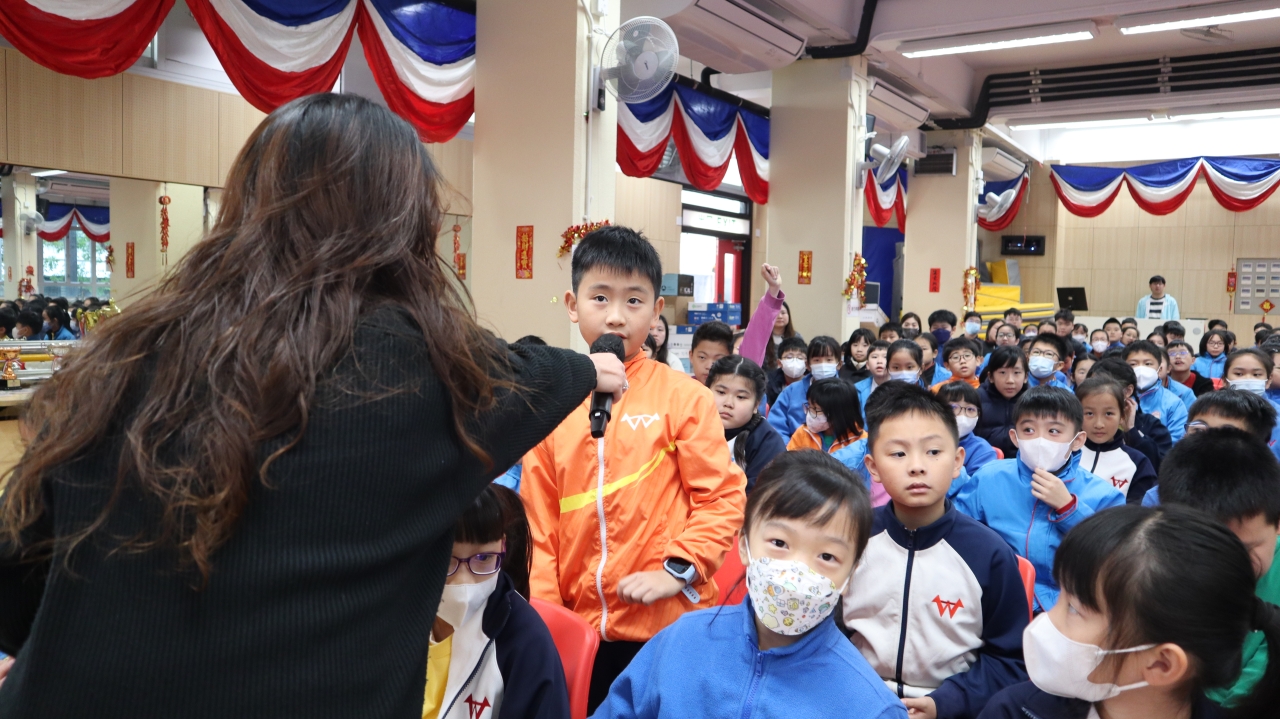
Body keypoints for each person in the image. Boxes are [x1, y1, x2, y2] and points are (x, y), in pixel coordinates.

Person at [0, 94, 624, 719]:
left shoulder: (124, 355)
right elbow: (528, 374)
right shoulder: (428, 375)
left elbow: (16, 591)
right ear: (409, 223)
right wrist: (589, 368)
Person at [522, 226, 746, 713]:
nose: (616, 316)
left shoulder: (684, 397)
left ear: (656, 309)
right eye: (600, 297)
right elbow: (538, 525)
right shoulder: (550, 403)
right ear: (572, 304)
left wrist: (678, 570)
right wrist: (549, 619)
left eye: (634, 301)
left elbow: (722, 498)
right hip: (580, 632)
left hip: (669, 626)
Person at [590, 451, 907, 719]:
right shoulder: (681, 640)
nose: (796, 573)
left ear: (851, 573)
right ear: (744, 544)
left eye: (827, 556)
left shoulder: (871, 707)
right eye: (779, 543)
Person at [979, 505, 1280, 719]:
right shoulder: (1015, 711)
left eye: (1074, 609)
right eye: (1061, 596)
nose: (1046, 620)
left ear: (1162, 664)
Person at [846, 383, 1027, 719]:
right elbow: (825, 635)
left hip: (950, 708)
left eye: (933, 452)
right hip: (855, 700)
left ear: (957, 461)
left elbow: (1010, 661)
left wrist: (946, 703)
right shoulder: (851, 538)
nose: (917, 466)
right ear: (873, 467)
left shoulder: (988, 554)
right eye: (898, 454)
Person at [954, 387, 1126, 611]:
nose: (1040, 440)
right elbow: (959, 533)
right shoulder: (989, 477)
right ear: (1014, 437)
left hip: (1068, 605)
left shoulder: (1104, 495)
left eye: (1054, 431)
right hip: (995, 596)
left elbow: (1114, 557)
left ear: (1077, 440)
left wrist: (1069, 508)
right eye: (1028, 430)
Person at [1154, 428, 1280, 708]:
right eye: (1206, 549)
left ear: (1277, 524)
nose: (1229, 564)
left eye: (1247, 549)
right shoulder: (1153, 565)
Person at [423, 485, 570, 719]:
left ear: (502, 546)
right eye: (447, 560)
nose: (464, 582)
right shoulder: (394, 617)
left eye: (483, 558)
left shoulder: (527, 644)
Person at [707, 356, 786, 493]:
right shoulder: (688, 426)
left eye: (741, 397)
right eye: (721, 392)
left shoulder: (768, 441)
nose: (728, 403)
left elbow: (761, 495)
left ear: (756, 405)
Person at [1075, 379, 1155, 504]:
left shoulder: (1138, 463)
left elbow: (1139, 512)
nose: (1099, 424)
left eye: (1108, 413)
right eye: (1089, 413)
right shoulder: (1065, 453)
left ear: (1122, 416)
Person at [1086, 358, 1172, 471]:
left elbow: (1159, 469)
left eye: (1104, 387)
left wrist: (1132, 431)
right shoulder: (1078, 423)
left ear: (1128, 391)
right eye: (1091, 386)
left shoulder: (1152, 426)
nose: (1096, 393)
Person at [769, 336, 843, 439]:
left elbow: (856, 431)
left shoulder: (847, 393)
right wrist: (789, 448)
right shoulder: (791, 392)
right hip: (795, 447)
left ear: (839, 364)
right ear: (807, 365)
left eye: (829, 360)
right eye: (817, 360)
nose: (823, 365)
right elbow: (776, 427)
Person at [1123, 341, 1188, 442]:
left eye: (1148, 364)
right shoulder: (1116, 399)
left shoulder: (1174, 404)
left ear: (1160, 369)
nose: (1141, 369)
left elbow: (1175, 442)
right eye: (1133, 364)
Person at [1222, 348, 1280, 453]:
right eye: (1239, 374)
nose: (1248, 379)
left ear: (1268, 380)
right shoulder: (1210, 412)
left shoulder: (1278, 415)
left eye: (1256, 374)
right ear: (1225, 380)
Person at [974, 347, 1029, 459]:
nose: (1010, 380)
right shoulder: (975, 399)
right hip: (985, 462)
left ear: (1025, 377)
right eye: (1002, 372)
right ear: (991, 377)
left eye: (1016, 373)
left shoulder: (1034, 402)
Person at [937, 381, 999, 475]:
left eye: (970, 409)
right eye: (953, 407)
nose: (962, 415)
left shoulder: (982, 450)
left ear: (978, 414)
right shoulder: (924, 442)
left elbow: (978, 483)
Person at [787, 378, 863, 455]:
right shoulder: (803, 433)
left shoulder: (860, 441)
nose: (809, 412)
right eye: (809, 405)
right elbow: (788, 460)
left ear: (837, 413)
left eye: (815, 409)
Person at [853, 340, 892, 420]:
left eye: (885, 357)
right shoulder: (856, 390)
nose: (879, 361)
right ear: (867, 365)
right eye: (874, 357)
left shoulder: (903, 388)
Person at [767, 336, 809, 407]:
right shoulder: (769, 383)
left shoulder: (812, 382)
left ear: (807, 363)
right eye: (789, 357)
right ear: (779, 363)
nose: (795, 361)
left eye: (800, 358)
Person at [689, 320, 735, 385]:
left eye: (718, 360)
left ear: (730, 360)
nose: (709, 366)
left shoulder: (736, 389)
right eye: (702, 357)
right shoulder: (682, 388)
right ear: (691, 356)